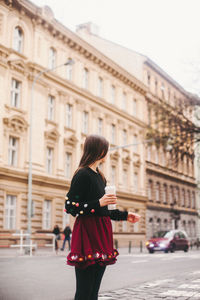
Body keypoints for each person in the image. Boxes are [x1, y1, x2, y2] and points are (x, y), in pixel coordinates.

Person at [64, 135, 140, 300]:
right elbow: (70, 207)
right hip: (88, 233)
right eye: (106, 149)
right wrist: (98, 202)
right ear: (99, 150)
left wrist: (126, 215)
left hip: (102, 233)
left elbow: (107, 210)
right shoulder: (82, 174)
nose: (108, 152)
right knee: (85, 290)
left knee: (94, 290)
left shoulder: (101, 176)